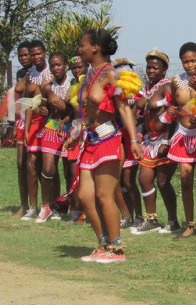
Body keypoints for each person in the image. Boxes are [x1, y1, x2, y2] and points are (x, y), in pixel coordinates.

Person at [63, 28, 142, 263]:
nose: (80, 49)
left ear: (95, 48)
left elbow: (123, 108)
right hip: (89, 140)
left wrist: (134, 140)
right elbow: (85, 114)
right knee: (86, 196)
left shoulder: (111, 75)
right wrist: (74, 134)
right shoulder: (88, 76)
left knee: (105, 195)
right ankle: (102, 244)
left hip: (109, 139)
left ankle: (117, 251)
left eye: (83, 45)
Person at [132, 48, 180, 235]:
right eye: (149, 67)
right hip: (149, 140)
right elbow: (145, 116)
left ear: (164, 70)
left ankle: (173, 221)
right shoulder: (146, 89)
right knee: (144, 179)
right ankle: (151, 219)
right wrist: (141, 133)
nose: (151, 70)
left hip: (164, 141)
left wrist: (166, 141)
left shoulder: (167, 86)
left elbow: (172, 115)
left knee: (162, 182)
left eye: (155, 67)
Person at [165, 42, 196, 238]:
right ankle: (190, 225)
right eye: (185, 61)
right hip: (184, 135)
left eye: (193, 60)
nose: (190, 65)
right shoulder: (176, 81)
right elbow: (176, 105)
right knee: (185, 181)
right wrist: (173, 111)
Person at [35, 52, 72, 222]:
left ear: (65, 66)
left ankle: (65, 207)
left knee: (68, 172)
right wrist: (42, 109)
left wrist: (56, 99)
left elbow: (69, 108)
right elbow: (42, 107)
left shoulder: (73, 84)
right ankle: (45, 207)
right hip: (51, 126)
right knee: (48, 170)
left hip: (68, 128)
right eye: (52, 66)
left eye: (58, 65)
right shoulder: (47, 86)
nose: (55, 68)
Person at [21, 40, 53, 220]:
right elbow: (27, 103)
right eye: (32, 54)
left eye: (38, 53)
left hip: (50, 123)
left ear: (45, 52)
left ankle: (51, 206)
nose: (35, 57)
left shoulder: (53, 71)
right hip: (34, 123)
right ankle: (32, 207)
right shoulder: (30, 74)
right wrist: (26, 130)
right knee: (30, 164)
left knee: (49, 167)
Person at [111, 58, 143, 230]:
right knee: (117, 180)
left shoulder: (135, 94)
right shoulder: (114, 91)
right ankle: (126, 215)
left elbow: (134, 113)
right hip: (114, 135)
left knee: (129, 180)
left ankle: (139, 215)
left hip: (130, 136)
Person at [63, 55, 87, 225]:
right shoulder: (72, 85)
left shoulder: (91, 82)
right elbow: (72, 112)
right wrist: (64, 122)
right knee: (72, 172)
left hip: (88, 130)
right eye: (73, 68)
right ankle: (76, 211)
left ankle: (87, 211)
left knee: (86, 173)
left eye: (79, 66)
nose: (76, 70)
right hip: (74, 128)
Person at [13, 41, 32, 217]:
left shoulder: (37, 74)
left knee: (34, 166)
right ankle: (23, 203)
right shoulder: (20, 74)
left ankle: (40, 205)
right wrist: (14, 123)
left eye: (26, 54)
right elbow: (17, 98)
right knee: (20, 164)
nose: (24, 58)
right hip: (22, 121)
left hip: (35, 122)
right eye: (21, 55)